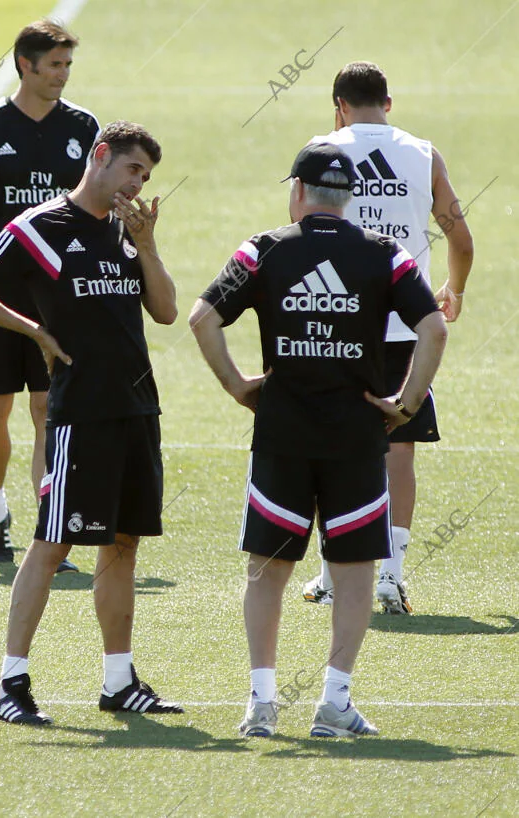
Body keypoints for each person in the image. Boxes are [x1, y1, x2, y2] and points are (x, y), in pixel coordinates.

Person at [189, 142, 447, 738]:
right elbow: (433, 326)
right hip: (358, 437)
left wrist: (236, 385)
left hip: (281, 433)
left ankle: (261, 703)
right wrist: (405, 404)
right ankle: (334, 702)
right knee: (355, 572)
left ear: (299, 192)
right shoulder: (384, 255)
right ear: (345, 197)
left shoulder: (264, 249)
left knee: (267, 569)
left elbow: (202, 317)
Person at [0, 120, 182, 725]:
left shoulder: (126, 231)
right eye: (132, 169)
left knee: (123, 545)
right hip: (80, 415)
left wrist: (149, 245)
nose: (138, 184)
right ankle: (11, 683)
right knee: (53, 543)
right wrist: (32, 331)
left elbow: (164, 311)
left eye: (146, 177)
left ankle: (118, 680)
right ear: (100, 157)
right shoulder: (38, 226)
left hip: (137, 409)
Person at [301, 61, 473, 613]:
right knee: (399, 449)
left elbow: (301, 233)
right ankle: (391, 576)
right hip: (407, 324)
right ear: (389, 103)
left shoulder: (321, 148)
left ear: (339, 107)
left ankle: (332, 571)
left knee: (336, 446)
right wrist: (454, 289)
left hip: (339, 323)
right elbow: (461, 238)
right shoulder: (424, 153)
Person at [0, 20, 101, 569]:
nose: (62, 76)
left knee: (48, 412)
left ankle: (48, 533)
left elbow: (93, 209)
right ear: (24, 66)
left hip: (59, 301)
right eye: (53, 65)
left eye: (67, 66)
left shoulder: (84, 129)